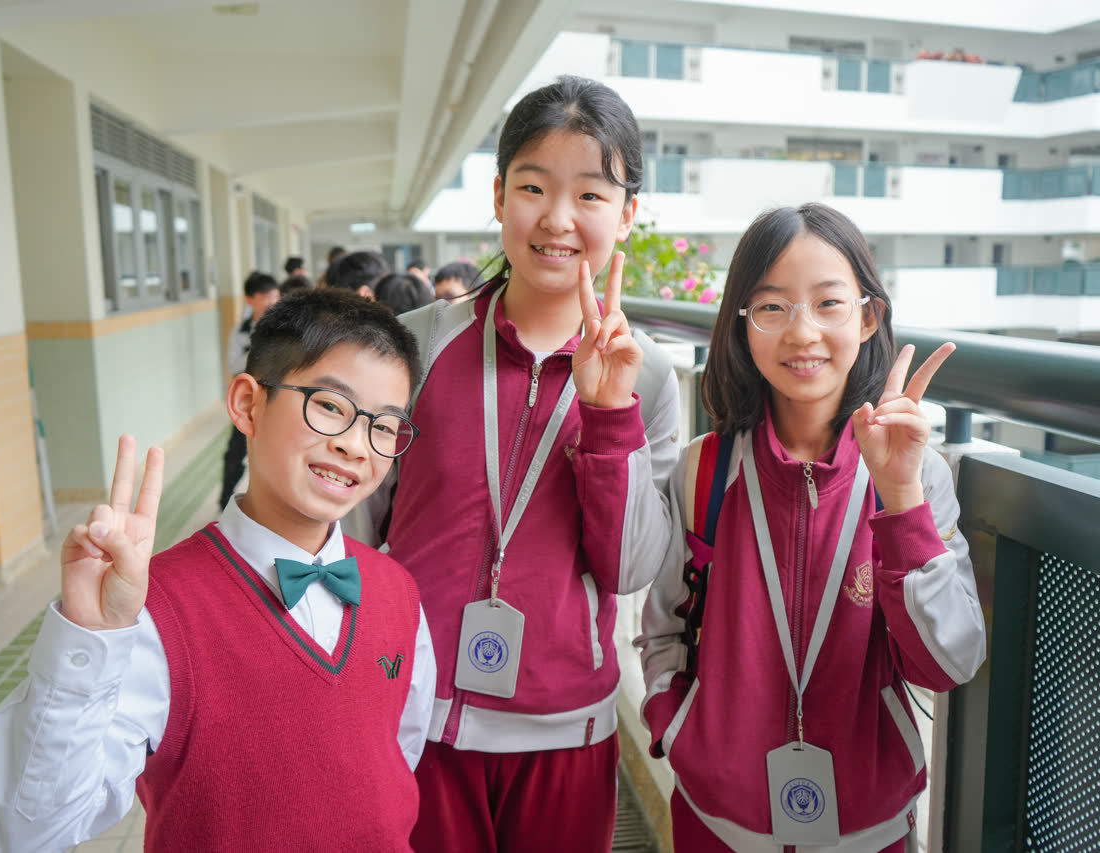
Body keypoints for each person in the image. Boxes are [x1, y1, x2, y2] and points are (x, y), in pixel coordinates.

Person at [0, 290, 438, 852]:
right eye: (331, 406)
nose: (356, 446)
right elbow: (26, 830)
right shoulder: (152, 610)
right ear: (248, 404)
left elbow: (398, 752)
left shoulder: (397, 590)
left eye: (385, 426)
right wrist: (90, 636)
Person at [349, 76, 681, 853]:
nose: (558, 218)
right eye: (534, 187)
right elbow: (355, 526)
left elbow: (631, 566)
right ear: (499, 196)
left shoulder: (649, 376)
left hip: (567, 726)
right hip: (417, 710)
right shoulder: (415, 343)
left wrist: (610, 416)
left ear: (627, 213)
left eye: (590, 195)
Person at [638, 203, 987, 852]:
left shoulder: (914, 477)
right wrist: (678, 728)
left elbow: (949, 662)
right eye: (772, 307)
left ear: (869, 315)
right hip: (716, 823)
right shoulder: (703, 471)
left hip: (868, 831)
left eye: (828, 303)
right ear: (742, 325)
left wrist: (902, 501)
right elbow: (663, 628)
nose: (802, 333)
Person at [219, 271, 280, 511]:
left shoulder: (284, 328)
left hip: (277, 399)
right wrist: (257, 346)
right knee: (235, 454)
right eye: (265, 296)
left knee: (276, 451)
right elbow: (233, 366)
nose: (271, 302)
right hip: (249, 401)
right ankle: (224, 502)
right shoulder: (241, 331)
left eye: (274, 296)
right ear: (250, 300)